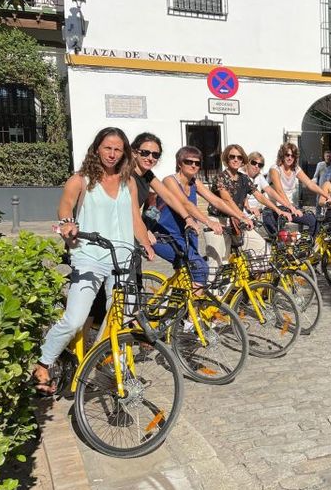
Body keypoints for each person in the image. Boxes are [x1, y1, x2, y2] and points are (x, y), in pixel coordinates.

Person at [33, 127, 155, 395]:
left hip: (122, 258)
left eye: (118, 149)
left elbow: (136, 218)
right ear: (97, 148)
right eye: (107, 148)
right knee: (76, 318)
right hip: (89, 256)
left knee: (120, 320)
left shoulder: (129, 182)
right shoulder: (81, 180)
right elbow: (65, 207)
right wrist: (67, 224)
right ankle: (44, 361)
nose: (112, 154)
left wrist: (146, 243)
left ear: (125, 153)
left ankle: (100, 362)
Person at [153, 146, 242, 285]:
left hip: (187, 235)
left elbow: (216, 200)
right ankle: (195, 305)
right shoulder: (169, 181)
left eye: (197, 163)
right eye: (188, 161)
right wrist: (209, 222)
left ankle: (179, 304)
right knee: (201, 269)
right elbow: (186, 204)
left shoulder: (195, 182)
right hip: (166, 236)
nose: (193, 165)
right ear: (179, 163)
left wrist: (241, 216)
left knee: (187, 277)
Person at [205, 144, 291, 269]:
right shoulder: (220, 177)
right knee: (219, 264)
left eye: (239, 157)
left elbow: (259, 195)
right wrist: (242, 216)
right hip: (219, 221)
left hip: (238, 221)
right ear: (226, 158)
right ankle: (215, 288)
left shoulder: (244, 178)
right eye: (232, 156)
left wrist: (278, 210)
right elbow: (227, 199)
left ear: (243, 160)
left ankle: (253, 285)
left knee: (263, 250)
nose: (236, 160)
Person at [269, 142, 331, 236]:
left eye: (293, 155)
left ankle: (307, 248)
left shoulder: (295, 169)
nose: (290, 158)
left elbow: (310, 184)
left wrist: (327, 196)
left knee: (313, 221)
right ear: (282, 155)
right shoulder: (275, 169)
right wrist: (291, 208)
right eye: (287, 155)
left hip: (289, 207)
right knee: (279, 241)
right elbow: (279, 191)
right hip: (275, 207)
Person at [243, 151, 291, 233]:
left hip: (256, 215)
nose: (256, 166)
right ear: (248, 162)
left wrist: (288, 205)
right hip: (244, 215)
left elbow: (270, 191)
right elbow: (243, 196)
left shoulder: (259, 176)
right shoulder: (241, 175)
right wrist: (249, 208)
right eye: (254, 163)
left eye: (260, 165)